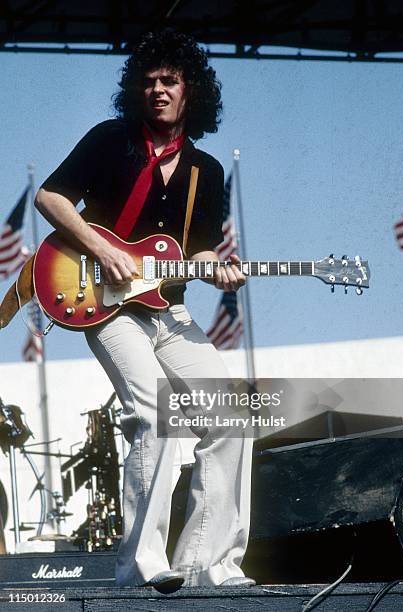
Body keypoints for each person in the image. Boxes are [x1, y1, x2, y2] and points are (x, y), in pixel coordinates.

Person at [35, 29, 254, 592]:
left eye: (170, 81)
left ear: (190, 92)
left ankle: (208, 563)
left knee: (231, 414)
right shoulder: (112, 140)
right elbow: (50, 196)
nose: (158, 90)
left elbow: (199, 247)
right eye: (149, 81)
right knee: (156, 413)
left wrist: (217, 267)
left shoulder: (205, 169)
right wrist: (103, 248)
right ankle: (140, 563)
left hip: (169, 312)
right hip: (106, 306)